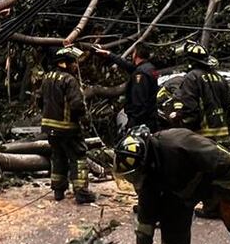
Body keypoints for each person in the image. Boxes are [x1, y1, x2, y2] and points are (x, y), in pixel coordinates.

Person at [170, 41, 230, 219]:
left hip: (202, 133)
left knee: (193, 172)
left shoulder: (192, 77)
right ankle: (216, 207)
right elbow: (228, 107)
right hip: (222, 133)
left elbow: (189, 108)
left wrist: (180, 121)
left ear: (190, 61)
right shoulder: (219, 78)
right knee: (218, 172)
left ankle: (182, 207)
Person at [40, 46, 95, 204]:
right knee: (78, 156)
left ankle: (58, 190)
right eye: (73, 62)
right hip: (67, 127)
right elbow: (77, 104)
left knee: (58, 156)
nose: (76, 66)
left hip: (49, 127)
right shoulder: (69, 80)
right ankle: (81, 192)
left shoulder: (46, 78)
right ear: (64, 63)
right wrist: (85, 120)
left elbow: (39, 101)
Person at [92, 44, 160, 131]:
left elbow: (139, 101)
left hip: (141, 120)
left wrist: (133, 122)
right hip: (150, 117)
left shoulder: (141, 74)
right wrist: (109, 54)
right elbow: (128, 66)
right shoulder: (149, 68)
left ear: (136, 54)